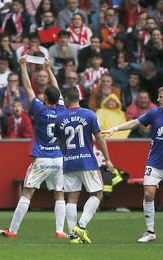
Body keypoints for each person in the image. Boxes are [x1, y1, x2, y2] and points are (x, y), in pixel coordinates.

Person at [102, 85, 163, 244]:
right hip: (154, 162)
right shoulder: (155, 113)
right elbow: (135, 122)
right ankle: (150, 231)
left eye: (160, 96)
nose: (157, 99)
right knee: (148, 194)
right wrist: (115, 128)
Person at [0, 56, 67, 239]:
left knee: (27, 192)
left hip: (42, 157)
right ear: (58, 99)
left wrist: (23, 65)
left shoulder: (40, 109)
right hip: (58, 157)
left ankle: (13, 230)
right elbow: (56, 87)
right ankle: (60, 231)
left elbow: (27, 88)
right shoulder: (62, 109)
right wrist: (49, 69)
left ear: (44, 98)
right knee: (59, 194)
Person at [54, 86, 114, 244]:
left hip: (69, 162)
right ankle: (81, 226)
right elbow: (99, 137)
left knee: (72, 198)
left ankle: (73, 237)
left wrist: (66, 153)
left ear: (66, 99)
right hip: (87, 160)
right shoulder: (89, 114)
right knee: (98, 193)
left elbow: (59, 141)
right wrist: (107, 159)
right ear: (78, 98)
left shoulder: (59, 118)